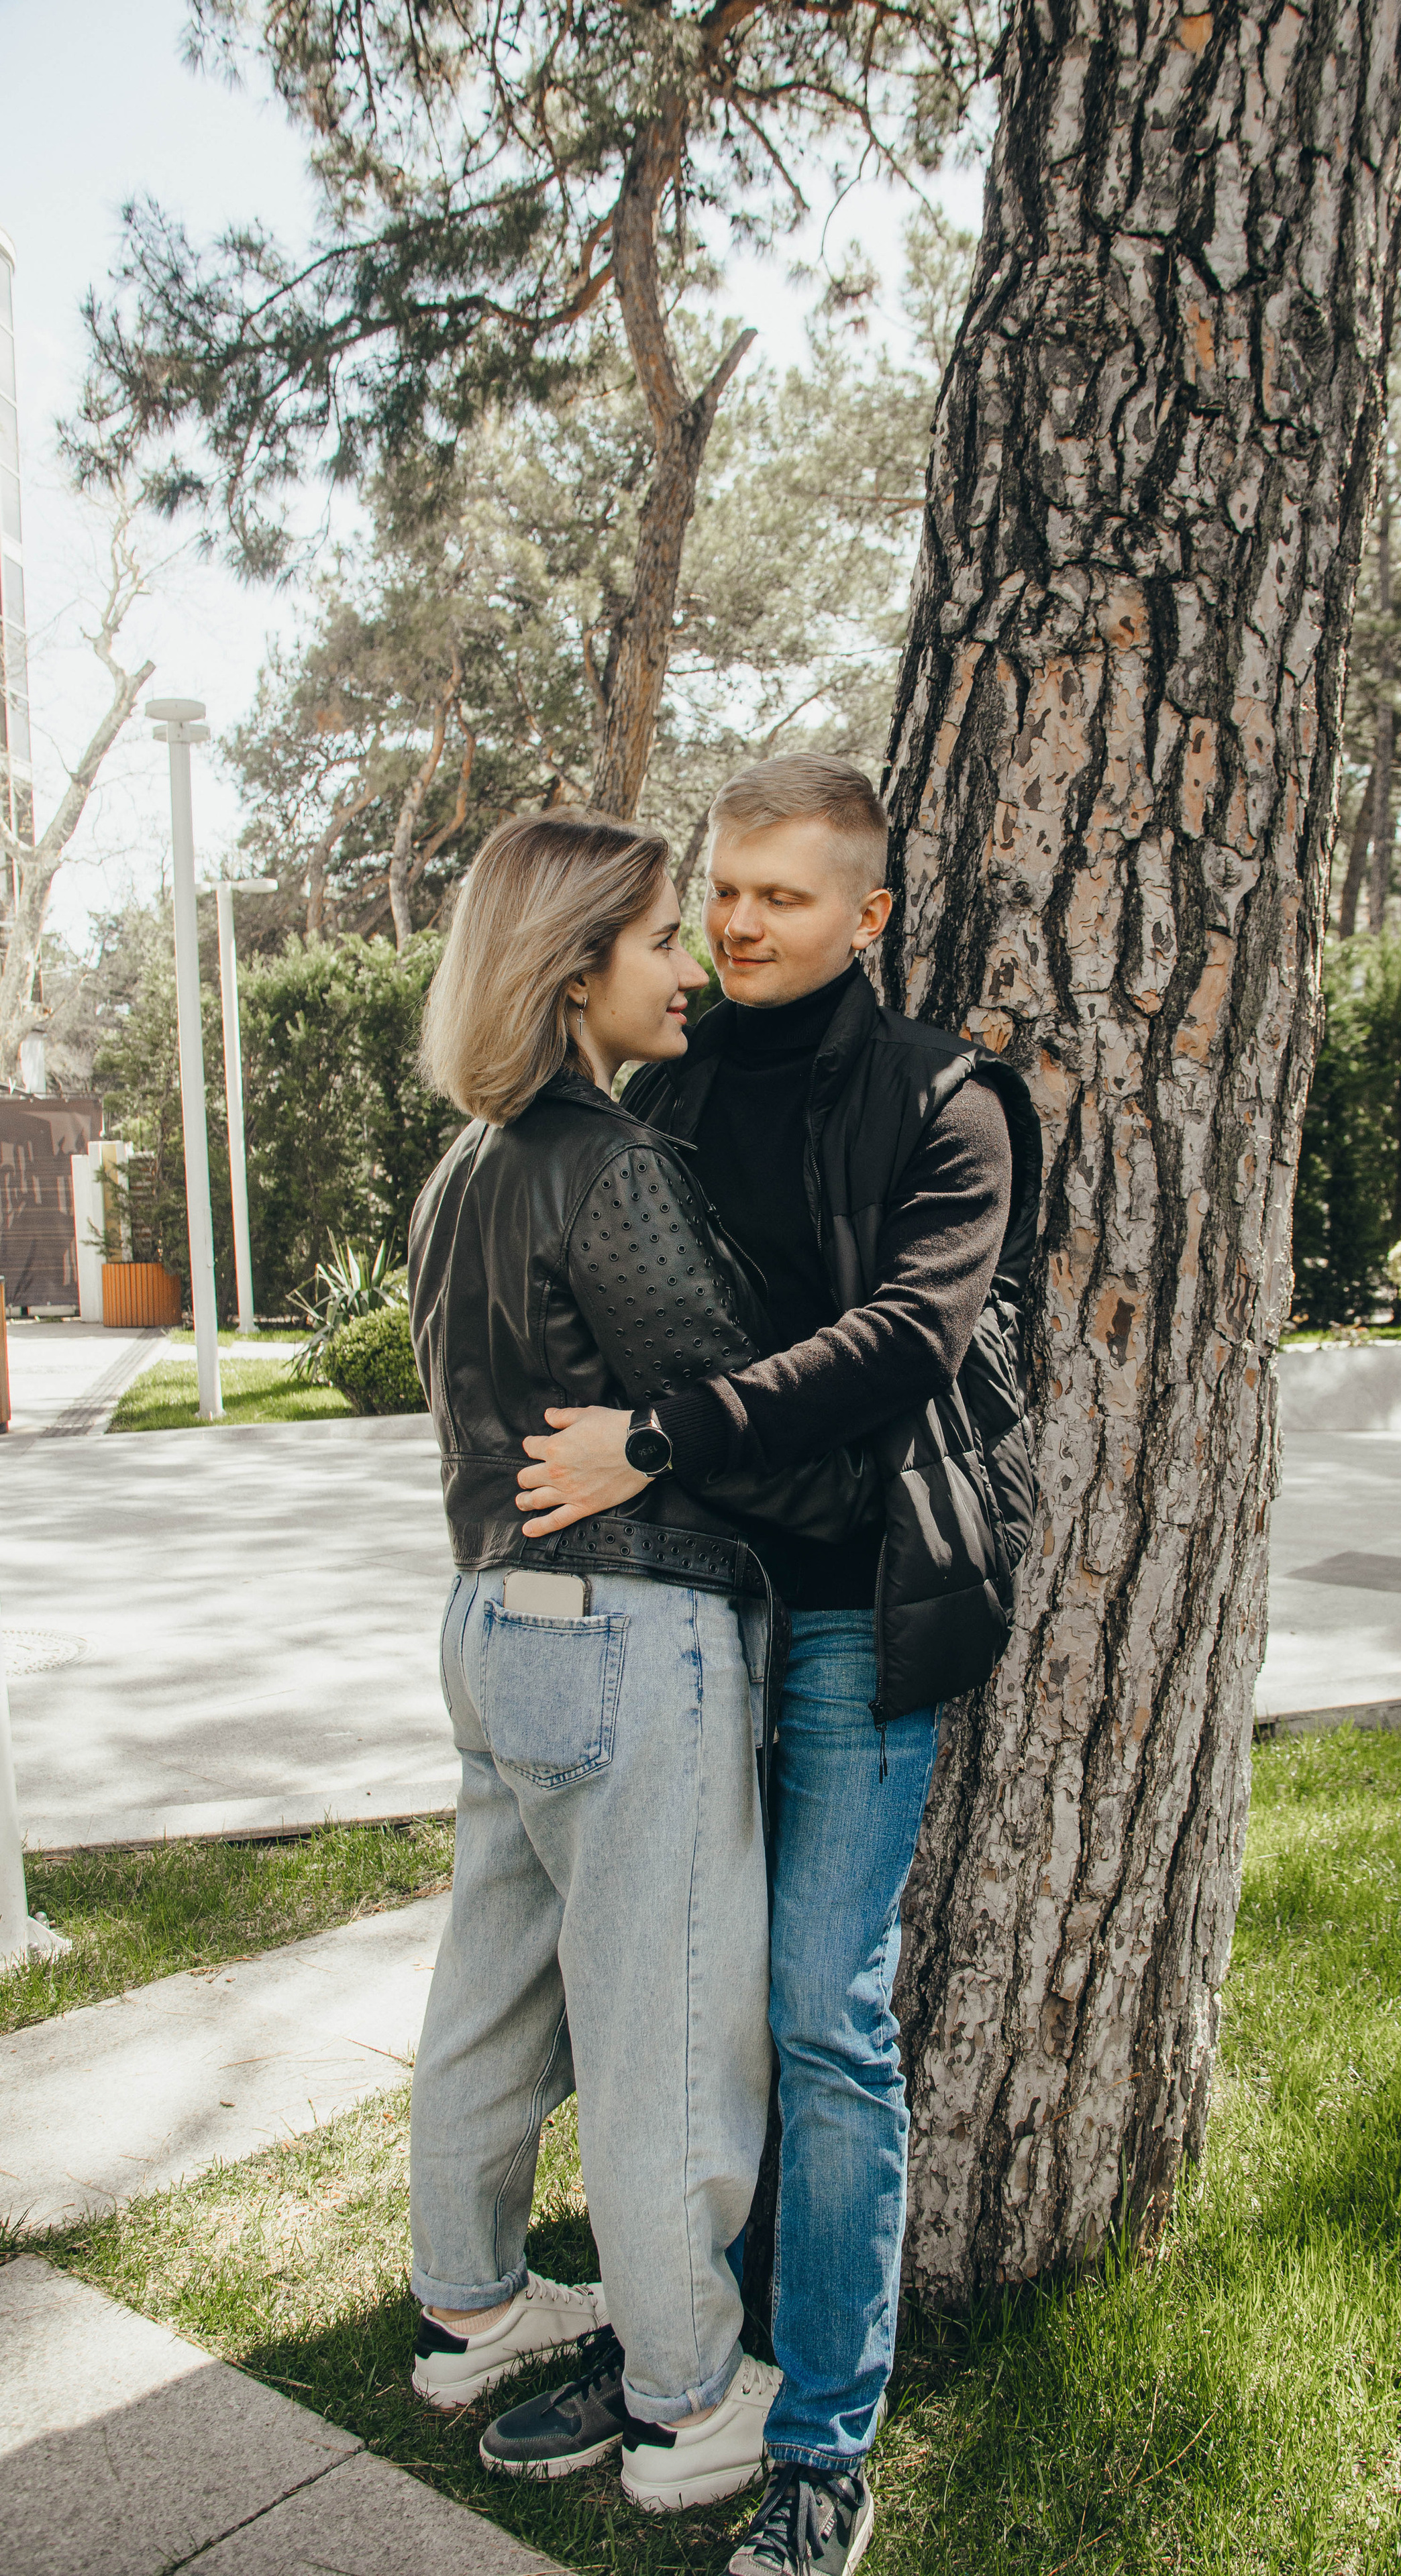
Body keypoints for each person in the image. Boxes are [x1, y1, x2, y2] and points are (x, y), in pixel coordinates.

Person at [501, 755, 1043, 2575]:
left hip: (856, 1608)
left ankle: (820, 2435)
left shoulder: (952, 1101)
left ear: (868, 914)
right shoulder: (659, 1089)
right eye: (722, 893)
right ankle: (674, 2343)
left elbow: (906, 1337)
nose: (736, 925)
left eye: (782, 899)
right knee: (671, 2000)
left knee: (821, 2009)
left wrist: (656, 1437)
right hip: (684, 1618)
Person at [404, 806, 882, 2516]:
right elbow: (715, 1400)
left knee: (491, 1994)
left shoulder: (462, 1168)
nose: (690, 968)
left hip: (487, 1622)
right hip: (626, 1630)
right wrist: (871, 1489)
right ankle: (689, 2400)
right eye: (664, 938)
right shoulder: (608, 1164)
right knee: (669, 2022)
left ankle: (465, 2308)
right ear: (574, 967)